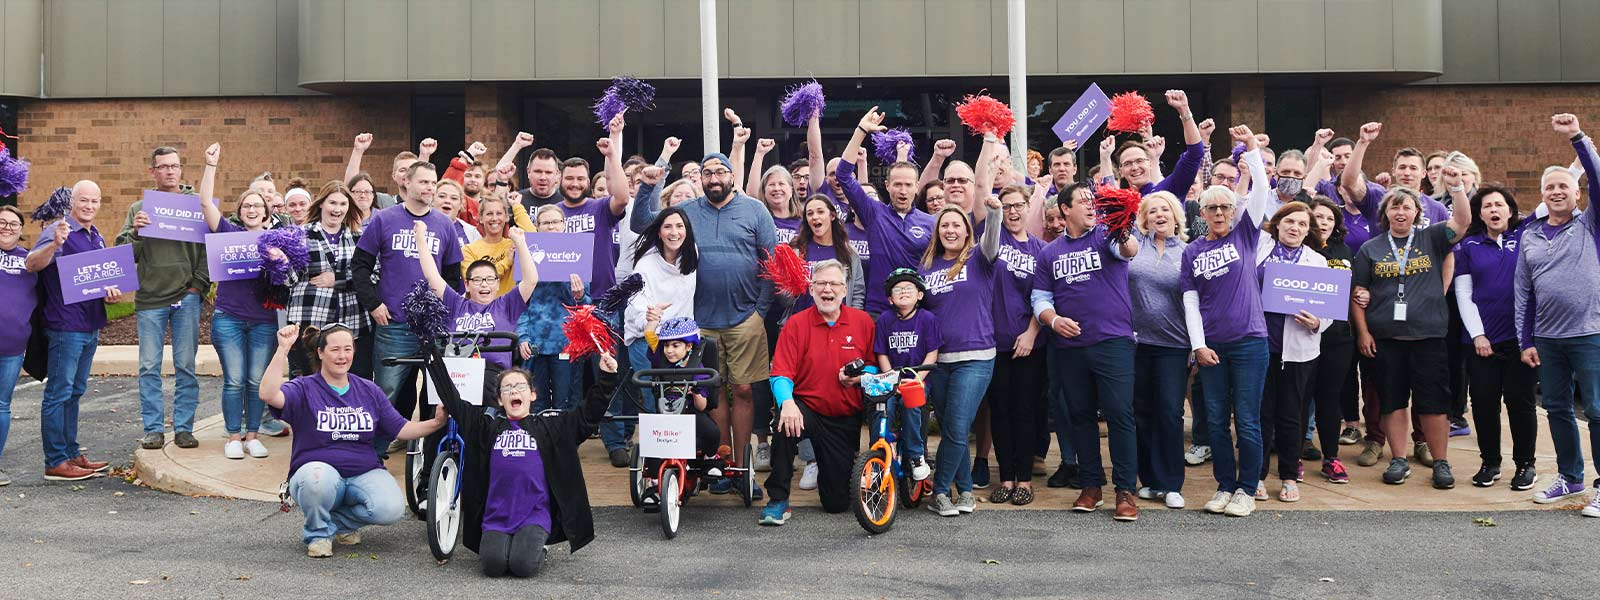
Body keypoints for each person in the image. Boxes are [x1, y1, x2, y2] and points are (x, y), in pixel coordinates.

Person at [631, 149, 777, 476]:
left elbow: (772, 266)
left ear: (732, 176)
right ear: (700, 179)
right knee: (711, 393)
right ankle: (718, 465)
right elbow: (642, 223)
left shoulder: (756, 212)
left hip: (746, 320)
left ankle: (742, 467)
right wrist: (646, 187)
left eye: (720, 172)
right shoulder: (686, 212)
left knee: (742, 390)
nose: (714, 178)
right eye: (707, 173)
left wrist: (760, 311)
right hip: (699, 324)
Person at [429, 336, 617, 576]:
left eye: (520, 387)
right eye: (507, 388)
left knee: (523, 566)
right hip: (496, 515)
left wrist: (607, 378)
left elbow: (587, 415)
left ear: (533, 395)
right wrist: (430, 352)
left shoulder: (552, 426)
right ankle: (507, 544)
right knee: (493, 567)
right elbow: (454, 401)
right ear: (499, 400)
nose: (514, 391)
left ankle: (540, 545)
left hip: (534, 515)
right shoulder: (486, 427)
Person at [1350, 129, 1474, 490]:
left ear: (1417, 212)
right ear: (1385, 213)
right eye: (1394, 206)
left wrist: (1456, 189)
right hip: (1386, 338)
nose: (1400, 211)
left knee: (1433, 404)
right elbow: (1358, 293)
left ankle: (1442, 462)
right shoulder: (1370, 249)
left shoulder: (1432, 236)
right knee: (1392, 402)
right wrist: (1364, 332)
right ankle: (1399, 459)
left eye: (1406, 206)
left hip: (1429, 335)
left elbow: (1462, 223)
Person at [261, 324, 447, 558]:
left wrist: (436, 423)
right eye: (335, 349)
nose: (342, 356)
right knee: (317, 482)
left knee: (392, 508)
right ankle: (317, 534)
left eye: (347, 349)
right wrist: (282, 350)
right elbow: (268, 394)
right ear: (320, 352)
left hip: (363, 471)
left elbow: (401, 428)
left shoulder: (368, 390)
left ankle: (338, 524)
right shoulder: (304, 387)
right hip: (317, 471)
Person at [1181, 126, 1273, 517]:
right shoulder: (1192, 252)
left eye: (1225, 208)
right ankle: (1224, 485)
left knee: (1247, 421)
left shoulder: (1245, 237)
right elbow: (1189, 301)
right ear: (1202, 214)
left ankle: (1247, 490)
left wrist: (1251, 150)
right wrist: (1198, 345)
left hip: (1250, 342)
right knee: (1216, 420)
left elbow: (1263, 192)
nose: (1219, 213)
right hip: (1213, 347)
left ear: (1233, 211)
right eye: (1211, 208)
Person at [1516, 114, 1600, 516]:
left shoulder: (1590, 225)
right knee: (1558, 407)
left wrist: (1578, 139)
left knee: (1598, 410)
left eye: (1563, 186)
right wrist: (1526, 339)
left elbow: (1597, 180)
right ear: (1542, 194)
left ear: (1578, 192)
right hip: (1548, 339)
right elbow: (1524, 292)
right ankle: (1571, 477)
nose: (1556, 192)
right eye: (1549, 187)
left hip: (1591, 333)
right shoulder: (1530, 235)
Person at [915, 136, 1003, 517]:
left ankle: (938, 492)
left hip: (976, 356)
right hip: (940, 360)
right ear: (937, 230)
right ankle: (964, 491)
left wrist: (995, 211)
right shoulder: (926, 268)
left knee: (955, 426)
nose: (951, 229)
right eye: (944, 225)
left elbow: (993, 239)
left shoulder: (980, 259)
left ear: (967, 230)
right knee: (952, 427)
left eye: (957, 224)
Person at [352, 160, 463, 456]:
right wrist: (373, 303)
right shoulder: (383, 219)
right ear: (407, 183)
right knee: (386, 393)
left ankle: (431, 456)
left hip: (433, 327)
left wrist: (449, 313)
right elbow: (360, 266)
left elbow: (453, 276)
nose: (429, 188)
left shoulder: (444, 224)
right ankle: (371, 455)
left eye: (433, 182)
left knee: (436, 395)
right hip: (395, 325)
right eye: (424, 182)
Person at [759, 260, 876, 526]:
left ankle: (829, 476)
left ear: (844, 290)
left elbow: (873, 364)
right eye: (821, 283)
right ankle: (778, 500)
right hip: (806, 407)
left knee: (836, 504)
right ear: (811, 289)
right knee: (784, 423)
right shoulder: (796, 324)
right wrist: (786, 402)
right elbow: (780, 373)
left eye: (834, 283)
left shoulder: (862, 322)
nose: (827, 289)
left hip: (843, 417)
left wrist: (859, 376)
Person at [196, 142, 293, 460]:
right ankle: (233, 436)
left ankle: (253, 435)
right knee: (235, 379)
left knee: (255, 380)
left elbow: (292, 277)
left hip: (264, 321)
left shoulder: (277, 240)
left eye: (257, 206)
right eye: (246, 206)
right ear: (240, 213)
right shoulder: (227, 232)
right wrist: (211, 165)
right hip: (230, 318)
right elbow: (205, 205)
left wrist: (281, 260)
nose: (252, 209)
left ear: (267, 212)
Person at [27, 182, 120, 481]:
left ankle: (70, 452)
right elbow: (32, 264)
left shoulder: (97, 236)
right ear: (72, 203)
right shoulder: (58, 230)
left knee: (76, 392)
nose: (89, 206)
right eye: (83, 200)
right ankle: (55, 460)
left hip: (91, 324)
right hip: (65, 325)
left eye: (95, 201)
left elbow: (98, 281)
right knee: (58, 393)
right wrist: (54, 244)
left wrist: (111, 293)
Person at [120, 146, 210, 451]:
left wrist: (197, 285)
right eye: (163, 167)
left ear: (181, 169)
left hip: (187, 296)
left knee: (185, 365)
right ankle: (154, 429)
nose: (170, 171)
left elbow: (208, 248)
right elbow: (125, 254)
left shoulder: (196, 205)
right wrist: (136, 231)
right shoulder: (139, 209)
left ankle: (184, 428)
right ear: (153, 171)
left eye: (175, 166)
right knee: (148, 366)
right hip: (151, 299)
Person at [1453, 183, 1539, 491]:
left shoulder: (1526, 234)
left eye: (1499, 204)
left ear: (1511, 210)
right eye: (1486, 205)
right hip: (1482, 342)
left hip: (1521, 340)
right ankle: (1490, 463)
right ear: (1480, 213)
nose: (1493, 209)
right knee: (1484, 404)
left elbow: (1549, 203)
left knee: (1520, 402)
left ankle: (1526, 465)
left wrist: (1575, 166)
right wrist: (1478, 334)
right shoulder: (1469, 245)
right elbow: (1464, 293)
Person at [1255, 202, 1334, 503]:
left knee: (1291, 415)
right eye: (1289, 221)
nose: (1295, 228)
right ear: (1277, 223)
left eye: (1302, 224)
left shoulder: (1317, 261)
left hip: (1298, 350)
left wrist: (1318, 323)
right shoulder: (1260, 248)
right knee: (1259, 414)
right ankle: (1256, 475)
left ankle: (1288, 475)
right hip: (1260, 345)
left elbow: (1327, 307)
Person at [614, 200, 698, 466]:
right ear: (659, 232)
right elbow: (636, 302)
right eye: (668, 226)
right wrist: (651, 316)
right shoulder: (646, 264)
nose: (674, 232)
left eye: (679, 226)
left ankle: (681, 461)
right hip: (647, 339)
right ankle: (656, 465)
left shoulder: (692, 256)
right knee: (656, 403)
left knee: (682, 401)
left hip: (682, 341)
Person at [985, 185, 1047, 506]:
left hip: (1028, 344)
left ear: (1028, 207)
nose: (1013, 211)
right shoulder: (994, 241)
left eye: (1018, 205)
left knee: (1024, 411)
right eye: (1007, 206)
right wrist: (992, 209)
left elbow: (1045, 296)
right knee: (1001, 412)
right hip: (994, 343)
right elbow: (990, 233)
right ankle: (1006, 478)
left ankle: (1024, 479)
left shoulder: (1040, 249)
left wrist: (1032, 333)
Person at [1127, 191, 1190, 510]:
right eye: (1152, 211)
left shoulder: (1188, 252)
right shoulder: (1136, 245)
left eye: (1165, 209)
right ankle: (1149, 480)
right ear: (1144, 218)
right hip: (1137, 343)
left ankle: (1172, 482)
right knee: (1142, 412)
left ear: (1176, 215)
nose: (1159, 215)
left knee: (1169, 411)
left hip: (1174, 344)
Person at [413, 218, 537, 372]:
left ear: (497, 283)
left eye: (490, 279)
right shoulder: (456, 304)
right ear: (467, 284)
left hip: (494, 374)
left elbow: (530, 280)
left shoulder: (507, 305)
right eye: (477, 279)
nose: (484, 284)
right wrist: (420, 240)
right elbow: (432, 277)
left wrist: (520, 242)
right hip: (460, 372)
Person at [288, 180, 371, 379]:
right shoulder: (300, 235)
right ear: (322, 204)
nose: (337, 209)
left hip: (351, 318)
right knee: (309, 381)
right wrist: (280, 262)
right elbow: (288, 279)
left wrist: (338, 279)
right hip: (310, 317)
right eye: (333, 203)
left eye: (343, 204)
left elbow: (373, 274)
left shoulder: (359, 237)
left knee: (354, 379)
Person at [516, 205, 589, 412]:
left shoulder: (577, 255)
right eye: (546, 223)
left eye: (556, 222)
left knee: (565, 401)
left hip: (566, 342)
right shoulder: (527, 254)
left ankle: (565, 444)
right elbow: (519, 303)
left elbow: (586, 305)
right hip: (535, 342)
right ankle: (541, 443)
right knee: (536, 400)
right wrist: (522, 336)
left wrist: (580, 296)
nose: (552, 227)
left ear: (564, 225)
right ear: (537, 227)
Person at [1306, 196, 1356, 484]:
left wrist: (1362, 292)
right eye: (1318, 217)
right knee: (1300, 398)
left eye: (1328, 218)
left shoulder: (1345, 250)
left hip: (1338, 337)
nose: (1323, 222)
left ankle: (1331, 458)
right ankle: (1294, 455)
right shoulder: (1298, 250)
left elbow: (1353, 288)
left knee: (1328, 398)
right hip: (1301, 337)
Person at [873, 269, 939, 485]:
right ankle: (878, 456)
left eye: (909, 288)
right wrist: (890, 377)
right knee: (884, 407)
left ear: (920, 295)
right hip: (892, 378)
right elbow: (881, 352)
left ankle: (915, 455)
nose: (904, 292)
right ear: (890, 299)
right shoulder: (885, 320)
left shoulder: (927, 319)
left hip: (917, 379)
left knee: (911, 405)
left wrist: (917, 379)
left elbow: (932, 352)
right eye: (898, 289)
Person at [0, 206, 42, 485]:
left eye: (14, 224)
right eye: (2, 222)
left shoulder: (30, 261)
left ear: (21, 230)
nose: (7, 227)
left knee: (2, 405)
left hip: (12, 347)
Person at [790, 195, 865, 313]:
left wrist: (851, 321)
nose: (815, 217)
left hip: (839, 324)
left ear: (832, 216)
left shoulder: (849, 253)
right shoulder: (797, 250)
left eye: (820, 212)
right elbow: (784, 297)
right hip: (803, 324)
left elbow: (857, 293)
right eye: (810, 214)